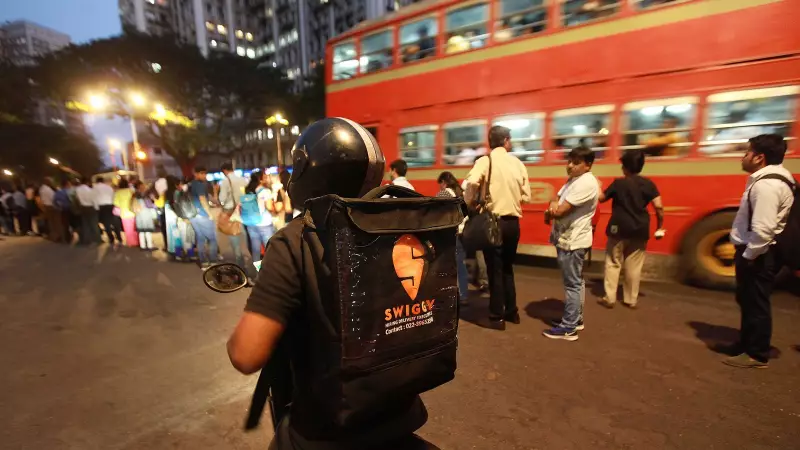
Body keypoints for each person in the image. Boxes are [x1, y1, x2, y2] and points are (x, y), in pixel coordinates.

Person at [227, 118, 437, 450]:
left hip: (325, 432)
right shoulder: (399, 228)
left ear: (307, 169)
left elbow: (246, 355)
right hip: (400, 412)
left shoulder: (296, 239)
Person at [724, 134, 795, 369]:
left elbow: (763, 229)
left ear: (759, 157)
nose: (743, 157)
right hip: (758, 252)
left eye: (747, 152)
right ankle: (745, 344)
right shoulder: (772, 179)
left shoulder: (766, 186)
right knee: (748, 300)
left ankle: (756, 353)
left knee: (756, 303)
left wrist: (748, 256)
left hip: (759, 253)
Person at [464, 126, 532, 330]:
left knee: (495, 270)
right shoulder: (518, 163)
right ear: (506, 141)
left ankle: (496, 317)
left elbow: (471, 182)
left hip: (493, 223)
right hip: (513, 223)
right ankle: (512, 312)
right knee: (508, 269)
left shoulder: (486, 161)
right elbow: (526, 197)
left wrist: (471, 202)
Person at [542, 146, 599, 341]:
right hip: (568, 238)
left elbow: (559, 210)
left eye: (576, 163)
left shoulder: (586, 183)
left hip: (573, 241)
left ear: (588, 165)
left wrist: (551, 211)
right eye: (569, 161)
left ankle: (568, 328)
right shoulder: (574, 180)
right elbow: (556, 198)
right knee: (576, 282)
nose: (570, 166)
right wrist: (553, 207)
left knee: (572, 284)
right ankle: (575, 319)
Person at [596, 150, 665, 309]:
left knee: (613, 262)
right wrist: (660, 226)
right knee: (634, 266)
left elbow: (601, 198)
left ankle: (610, 298)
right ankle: (630, 300)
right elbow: (659, 207)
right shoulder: (649, 184)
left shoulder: (618, 183)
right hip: (640, 229)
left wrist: (598, 186)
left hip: (618, 228)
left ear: (625, 167)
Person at [437, 171, 470, 307]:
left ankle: (446, 295)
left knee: (445, 266)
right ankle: (463, 295)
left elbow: (435, 211)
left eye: (440, 184)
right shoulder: (460, 193)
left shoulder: (444, 194)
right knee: (461, 265)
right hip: (463, 232)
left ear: (444, 182)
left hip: (451, 234)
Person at [242, 170, 277, 281]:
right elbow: (270, 207)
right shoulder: (265, 191)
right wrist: (275, 211)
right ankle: (270, 275)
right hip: (265, 224)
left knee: (256, 251)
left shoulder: (248, 191)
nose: (267, 179)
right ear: (260, 179)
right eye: (265, 177)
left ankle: (257, 276)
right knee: (269, 250)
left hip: (251, 224)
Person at [219, 162, 249, 270]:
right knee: (244, 234)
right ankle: (249, 259)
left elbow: (222, 199)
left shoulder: (225, 181)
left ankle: (240, 264)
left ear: (224, 170)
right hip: (243, 209)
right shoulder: (243, 179)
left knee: (234, 236)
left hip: (231, 212)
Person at [189, 166, 218, 270]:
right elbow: (202, 199)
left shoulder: (192, 184)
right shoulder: (199, 185)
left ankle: (203, 263)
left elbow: (211, 199)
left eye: (205, 173)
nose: (204, 175)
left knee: (200, 238)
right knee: (212, 239)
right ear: (195, 174)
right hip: (202, 215)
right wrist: (210, 214)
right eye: (201, 173)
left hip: (193, 216)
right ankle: (213, 261)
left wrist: (215, 191)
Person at [94, 177, 122, 246]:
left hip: (101, 207)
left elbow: (94, 199)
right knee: (115, 223)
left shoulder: (94, 188)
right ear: (103, 181)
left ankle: (111, 238)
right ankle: (119, 237)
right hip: (110, 205)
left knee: (106, 224)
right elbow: (113, 196)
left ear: (96, 181)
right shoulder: (109, 187)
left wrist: (96, 208)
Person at [132, 181, 157, 251]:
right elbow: (151, 204)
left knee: (141, 231)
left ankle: (142, 246)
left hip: (138, 215)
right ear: (141, 186)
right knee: (147, 231)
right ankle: (149, 246)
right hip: (146, 213)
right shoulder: (147, 194)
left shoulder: (134, 195)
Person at [75, 177, 101, 245]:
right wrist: (97, 208)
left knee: (85, 224)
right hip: (91, 207)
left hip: (83, 208)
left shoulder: (77, 189)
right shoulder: (90, 190)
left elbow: (77, 199)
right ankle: (97, 240)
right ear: (87, 182)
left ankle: (87, 240)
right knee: (94, 224)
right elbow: (94, 200)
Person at [113, 179, 138, 247]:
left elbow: (116, 204)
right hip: (133, 211)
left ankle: (131, 242)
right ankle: (136, 241)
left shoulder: (118, 193)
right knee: (134, 228)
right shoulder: (131, 191)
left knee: (128, 229)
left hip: (124, 213)